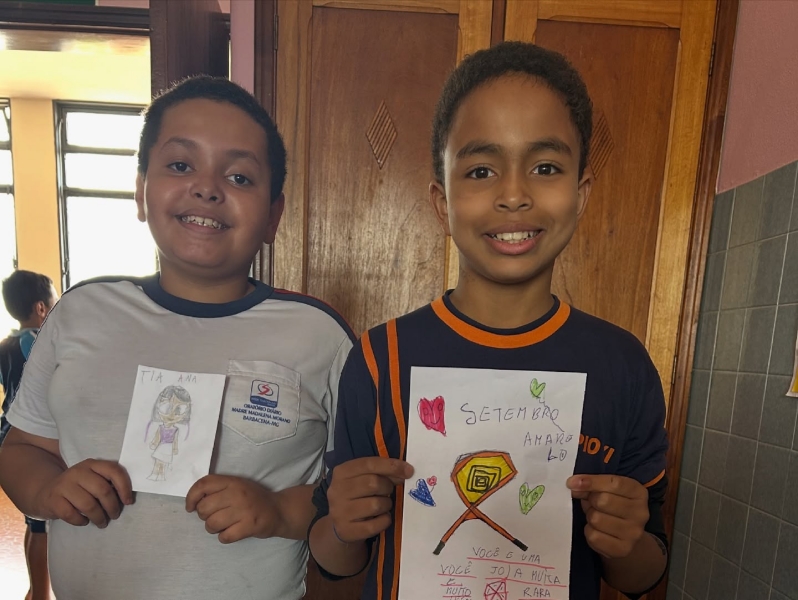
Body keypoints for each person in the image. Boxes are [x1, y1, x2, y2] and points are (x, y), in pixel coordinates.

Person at [308, 42, 669, 600]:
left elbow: (644, 572)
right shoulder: (380, 357)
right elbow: (336, 560)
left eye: (545, 167)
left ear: (581, 195)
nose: (514, 195)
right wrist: (340, 527)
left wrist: (626, 541)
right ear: (442, 203)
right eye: (481, 170)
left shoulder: (622, 365)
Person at [0, 76, 354, 600]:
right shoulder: (81, 313)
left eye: (239, 176)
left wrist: (279, 510)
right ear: (141, 190)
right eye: (181, 165)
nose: (207, 188)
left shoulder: (318, 335)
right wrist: (48, 489)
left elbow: (352, 492)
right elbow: (21, 447)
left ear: (273, 216)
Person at [0, 270, 58, 600]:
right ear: (40, 308)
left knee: (33, 521)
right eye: (54, 302)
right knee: (43, 526)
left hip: (9, 434)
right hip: (30, 440)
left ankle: (34, 589)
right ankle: (40, 594)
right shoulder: (35, 342)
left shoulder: (7, 343)